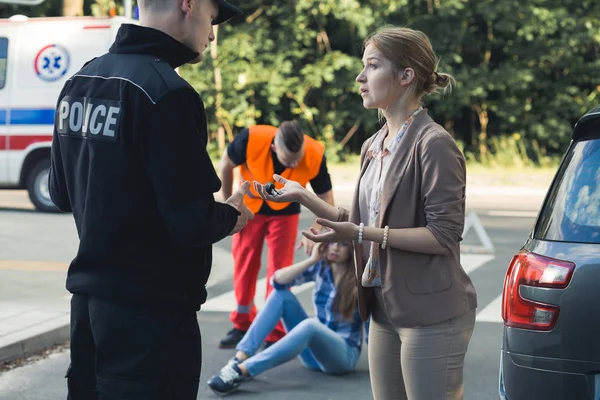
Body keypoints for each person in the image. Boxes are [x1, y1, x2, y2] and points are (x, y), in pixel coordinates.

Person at [254, 26, 478, 400]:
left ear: (406, 76)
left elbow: (443, 236)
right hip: (383, 307)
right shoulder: (373, 145)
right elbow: (360, 221)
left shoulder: (435, 144)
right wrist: (304, 197)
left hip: (432, 312)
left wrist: (359, 234)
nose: (360, 77)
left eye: (372, 66)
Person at [48, 0, 251, 398]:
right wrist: (233, 215)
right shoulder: (168, 94)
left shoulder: (80, 80)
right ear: (188, 5)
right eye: (212, 20)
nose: (212, 35)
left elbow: (60, 194)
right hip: (151, 318)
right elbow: (190, 222)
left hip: (88, 308)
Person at [217, 120, 335, 348]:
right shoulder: (251, 139)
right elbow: (225, 164)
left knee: (280, 270)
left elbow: (326, 197)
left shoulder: (314, 152)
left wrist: (317, 228)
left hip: (286, 212)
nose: (295, 163)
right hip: (249, 208)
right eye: (289, 160)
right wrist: (229, 206)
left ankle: (273, 330)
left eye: (298, 158)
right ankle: (242, 323)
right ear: (274, 147)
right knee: (244, 263)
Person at [207, 241, 364, 396]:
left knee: (311, 325)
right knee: (281, 295)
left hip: (341, 358)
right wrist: (312, 260)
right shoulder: (321, 267)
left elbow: (373, 327)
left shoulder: (361, 280)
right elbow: (278, 281)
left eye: (343, 244)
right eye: (332, 242)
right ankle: (238, 359)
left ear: (353, 249)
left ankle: (242, 371)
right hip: (312, 356)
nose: (335, 247)